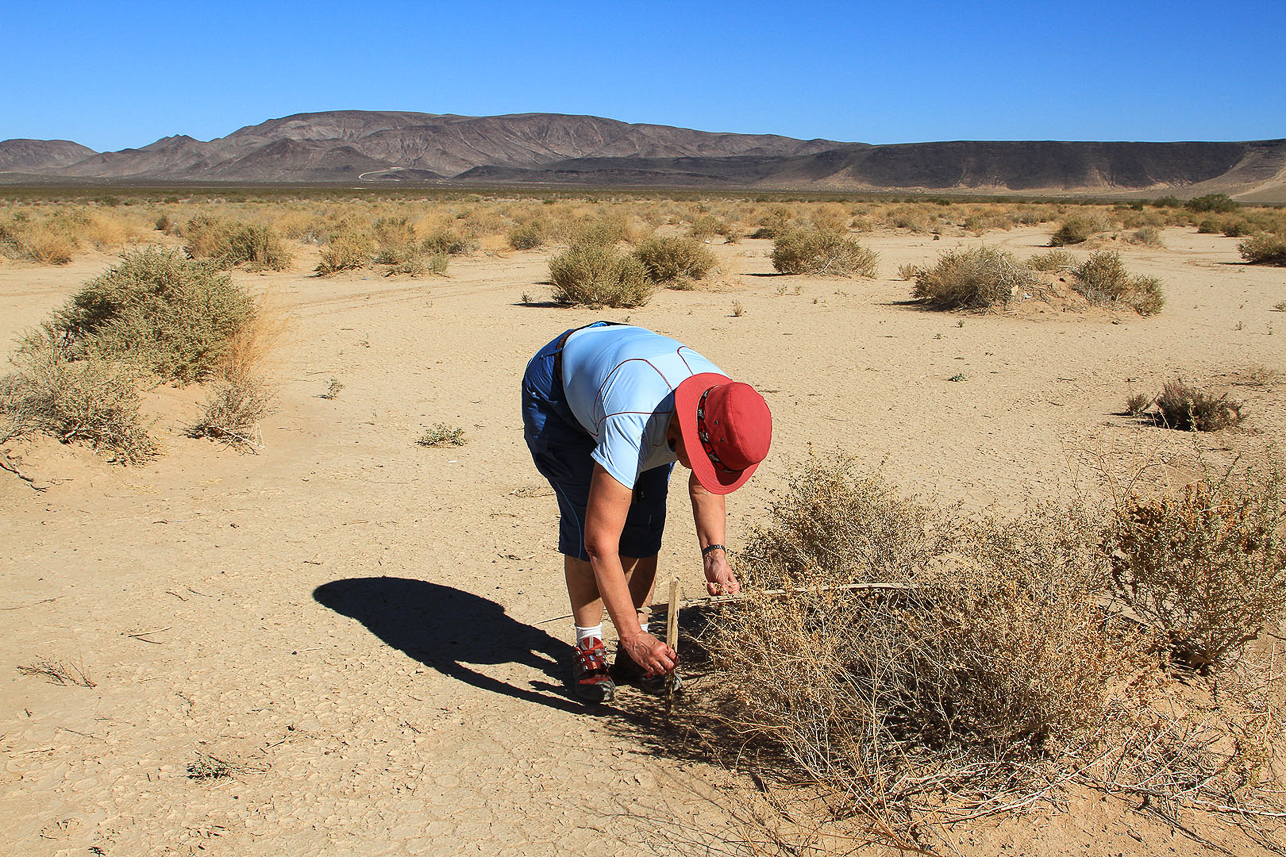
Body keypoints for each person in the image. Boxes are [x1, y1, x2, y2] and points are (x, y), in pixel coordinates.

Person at [521, 322, 772, 703]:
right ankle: (589, 649)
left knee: (645, 524)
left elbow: (706, 483)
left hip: (632, 386)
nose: (705, 469)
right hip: (560, 397)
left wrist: (715, 556)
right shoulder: (633, 418)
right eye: (704, 460)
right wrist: (632, 635)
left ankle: (629, 655)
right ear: (688, 431)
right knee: (586, 522)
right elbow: (599, 543)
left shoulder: (722, 404)